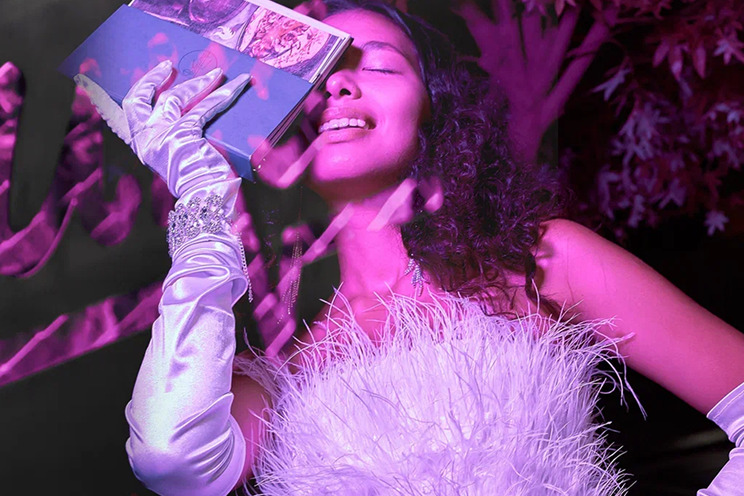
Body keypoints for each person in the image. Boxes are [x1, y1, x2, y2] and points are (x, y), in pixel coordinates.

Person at [75, 1, 744, 495]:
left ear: (433, 111)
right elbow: (170, 459)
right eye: (315, 73)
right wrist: (201, 197)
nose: (337, 83)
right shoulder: (279, 364)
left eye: (378, 64)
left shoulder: (540, 262)